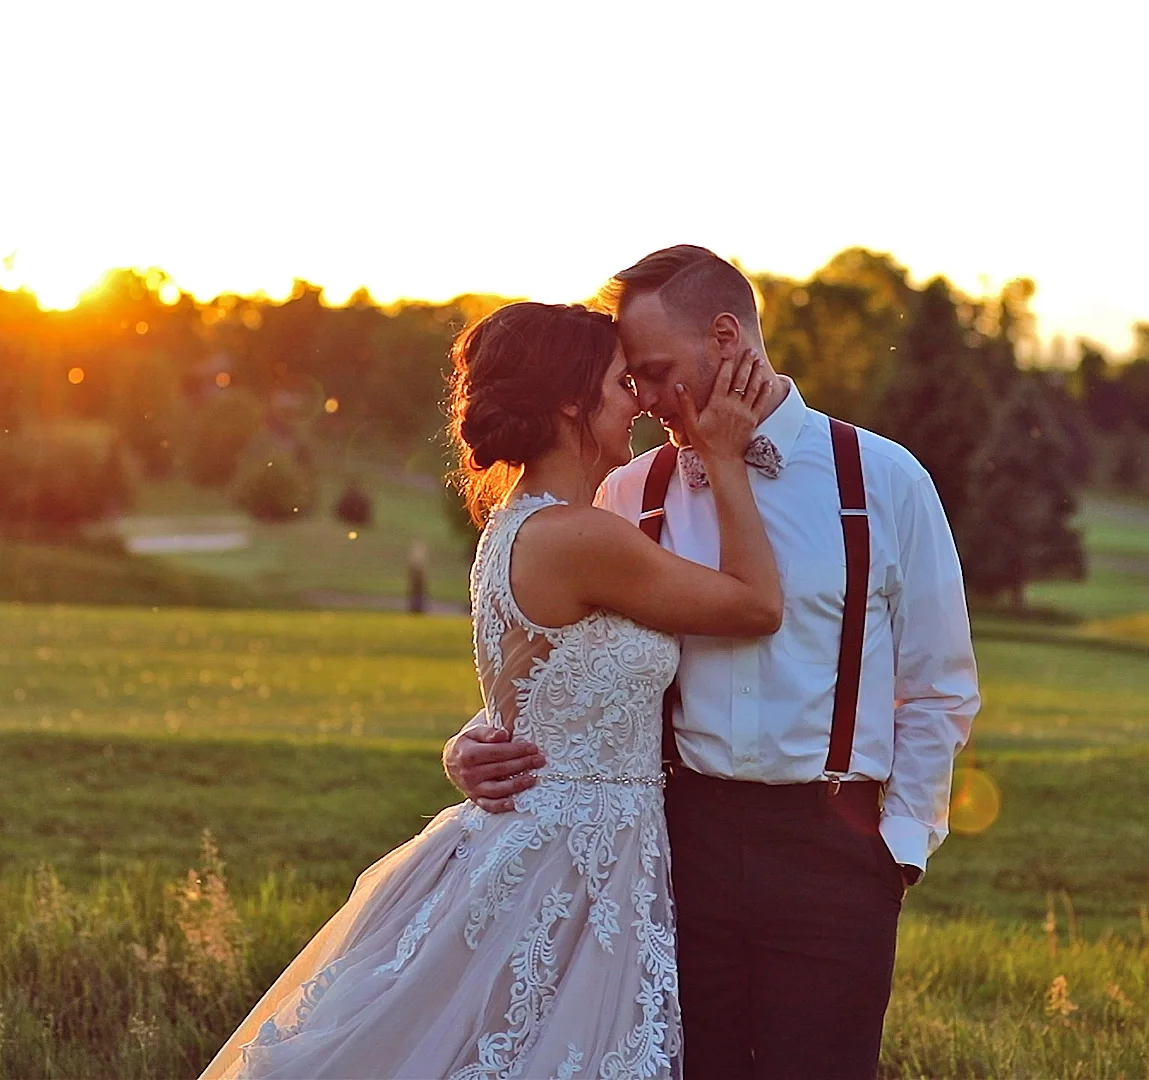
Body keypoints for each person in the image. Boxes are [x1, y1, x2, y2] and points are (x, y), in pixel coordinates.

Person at [202, 300, 785, 1079]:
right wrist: (726, 455)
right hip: (567, 863)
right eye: (621, 382)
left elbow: (542, 686)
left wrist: (464, 742)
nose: (640, 400)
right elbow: (755, 605)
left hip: (566, 846)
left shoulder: (517, 528)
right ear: (572, 402)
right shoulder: (583, 538)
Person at [447, 246, 981, 1080]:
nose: (647, 398)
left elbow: (939, 683)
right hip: (671, 846)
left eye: (655, 371)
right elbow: (563, 653)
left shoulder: (883, 479)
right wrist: (475, 739)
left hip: (833, 851)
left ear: (726, 338)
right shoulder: (627, 492)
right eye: (632, 379)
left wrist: (898, 847)